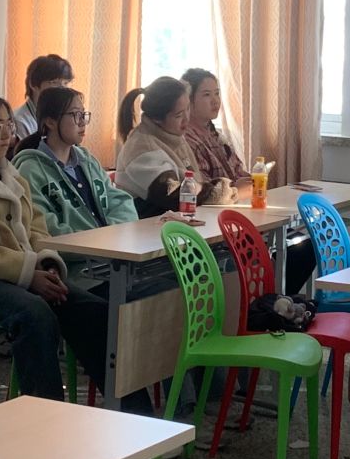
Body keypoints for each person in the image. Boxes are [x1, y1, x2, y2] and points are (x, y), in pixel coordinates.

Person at [0, 91, 140, 411]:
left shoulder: (10, 175)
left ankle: (129, 413)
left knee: (95, 311)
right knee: (34, 314)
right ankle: (44, 417)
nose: (7, 133)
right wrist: (27, 273)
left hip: (21, 274)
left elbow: (36, 229)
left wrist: (47, 265)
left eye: (9, 124)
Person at [181, 66, 318, 292]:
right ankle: (271, 302)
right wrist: (237, 189)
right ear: (189, 101)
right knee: (297, 250)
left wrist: (251, 181)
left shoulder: (216, 135)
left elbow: (239, 172)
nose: (215, 101)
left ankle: (276, 301)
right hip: (218, 224)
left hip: (242, 214)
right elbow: (203, 190)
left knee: (306, 245)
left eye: (217, 93)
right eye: (206, 95)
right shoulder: (187, 140)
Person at [14, 86, 136, 235]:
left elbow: (120, 201)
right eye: (76, 114)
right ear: (50, 122)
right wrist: (93, 239)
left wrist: (108, 234)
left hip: (107, 245)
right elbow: (44, 224)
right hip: (72, 249)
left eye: (83, 114)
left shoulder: (88, 161)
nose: (82, 122)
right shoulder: (30, 170)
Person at [115, 77, 231, 217]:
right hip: (147, 226)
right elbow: (174, 194)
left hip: (173, 221)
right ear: (157, 119)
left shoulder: (172, 135)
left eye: (187, 109)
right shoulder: (142, 147)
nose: (187, 118)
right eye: (178, 115)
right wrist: (223, 191)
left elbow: (193, 183)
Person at [11, 53, 74, 145]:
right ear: (33, 84)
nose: (62, 90)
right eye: (54, 82)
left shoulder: (61, 116)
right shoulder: (20, 122)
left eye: (65, 83)